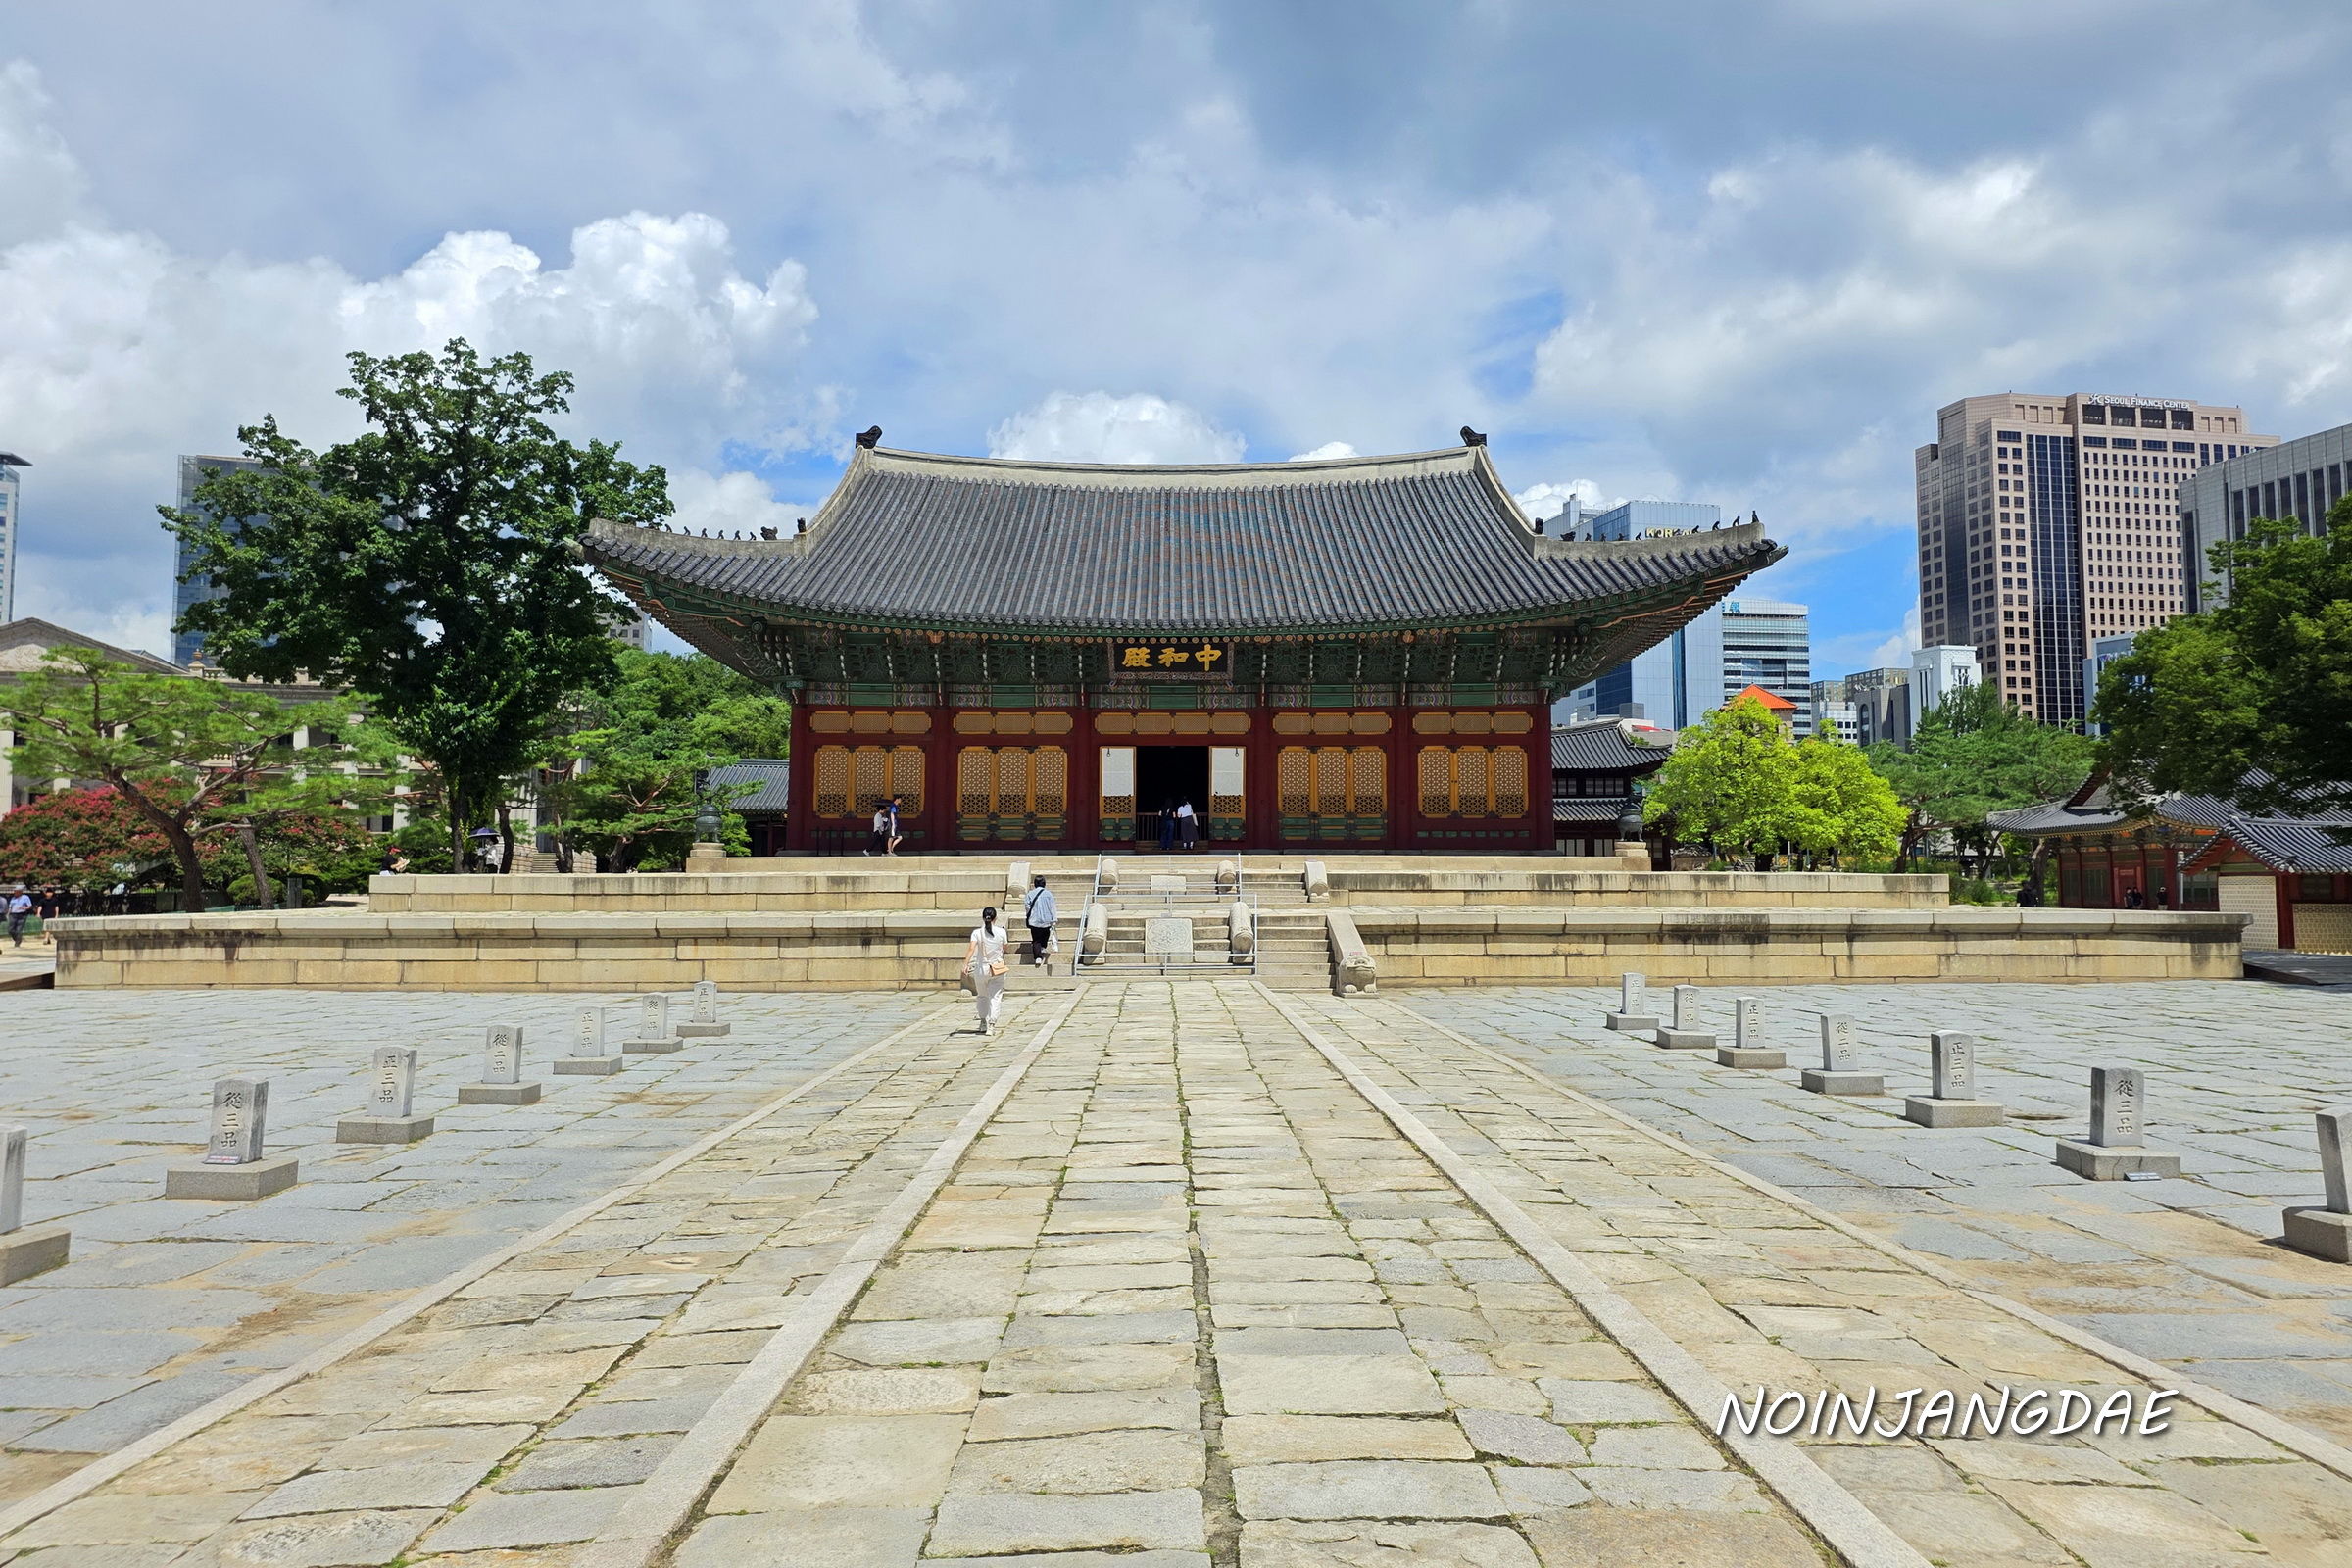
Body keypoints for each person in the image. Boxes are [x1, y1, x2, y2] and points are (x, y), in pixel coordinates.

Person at [964, 906, 1009, 1034]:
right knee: (995, 997)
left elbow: (971, 949)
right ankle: (991, 1024)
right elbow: (1005, 948)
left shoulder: (977, 933)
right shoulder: (1001, 932)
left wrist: (966, 963)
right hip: (997, 968)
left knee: (982, 996)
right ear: (995, 918)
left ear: (983, 918)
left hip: (981, 969)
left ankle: (983, 1021)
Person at [1023, 874, 1057, 967]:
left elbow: (1027, 906)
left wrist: (1029, 915)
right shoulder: (1049, 894)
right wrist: (1054, 919)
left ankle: (1037, 957)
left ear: (1034, 884)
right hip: (1046, 920)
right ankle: (1042, 947)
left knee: (1036, 940)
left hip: (1034, 920)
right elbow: (1052, 907)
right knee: (1045, 934)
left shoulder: (1030, 894)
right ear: (1044, 883)